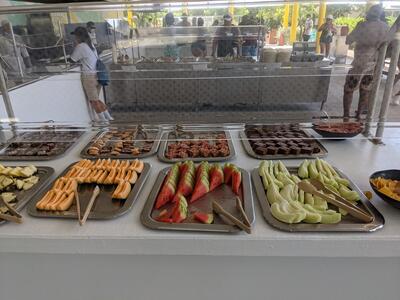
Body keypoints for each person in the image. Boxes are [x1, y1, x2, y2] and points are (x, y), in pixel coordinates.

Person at [342, 5, 389, 120]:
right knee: (365, 90)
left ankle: (346, 116)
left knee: (348, 89)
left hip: (359, 63)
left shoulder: (362, 25)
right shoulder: (385, 28)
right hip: (374, 64)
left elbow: (349, 40)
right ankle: (358, 116)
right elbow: (389, 48)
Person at [70, 26, 113, 122]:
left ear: (78, 36)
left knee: (94, 101)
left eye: (75, 36)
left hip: (89, 77)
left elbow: (72, 60)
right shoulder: (90, 45)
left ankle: (104, 121)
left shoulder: (81, 46)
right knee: (96, 99)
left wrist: (75, 46)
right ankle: (108, 117)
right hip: (97, 75)